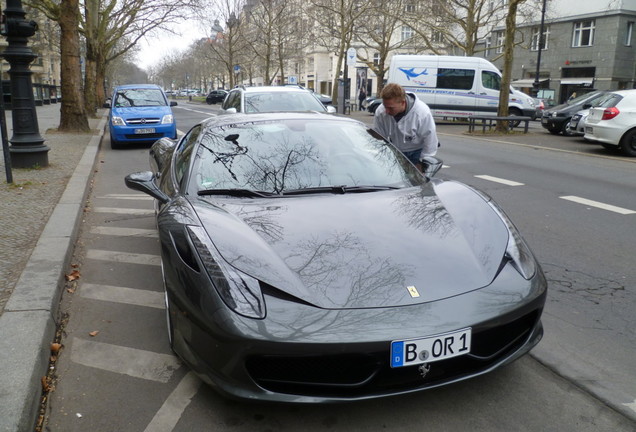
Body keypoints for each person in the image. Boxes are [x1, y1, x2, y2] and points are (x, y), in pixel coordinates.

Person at [373, 83, 438, 170]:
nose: (387, 111)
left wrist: (422, 164)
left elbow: (430, 141)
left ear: (403, 102)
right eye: (385, 106)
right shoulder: (381, 111)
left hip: (416, 152)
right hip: (394, 151)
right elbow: (379, 138)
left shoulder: (422, 112)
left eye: (391, 108)